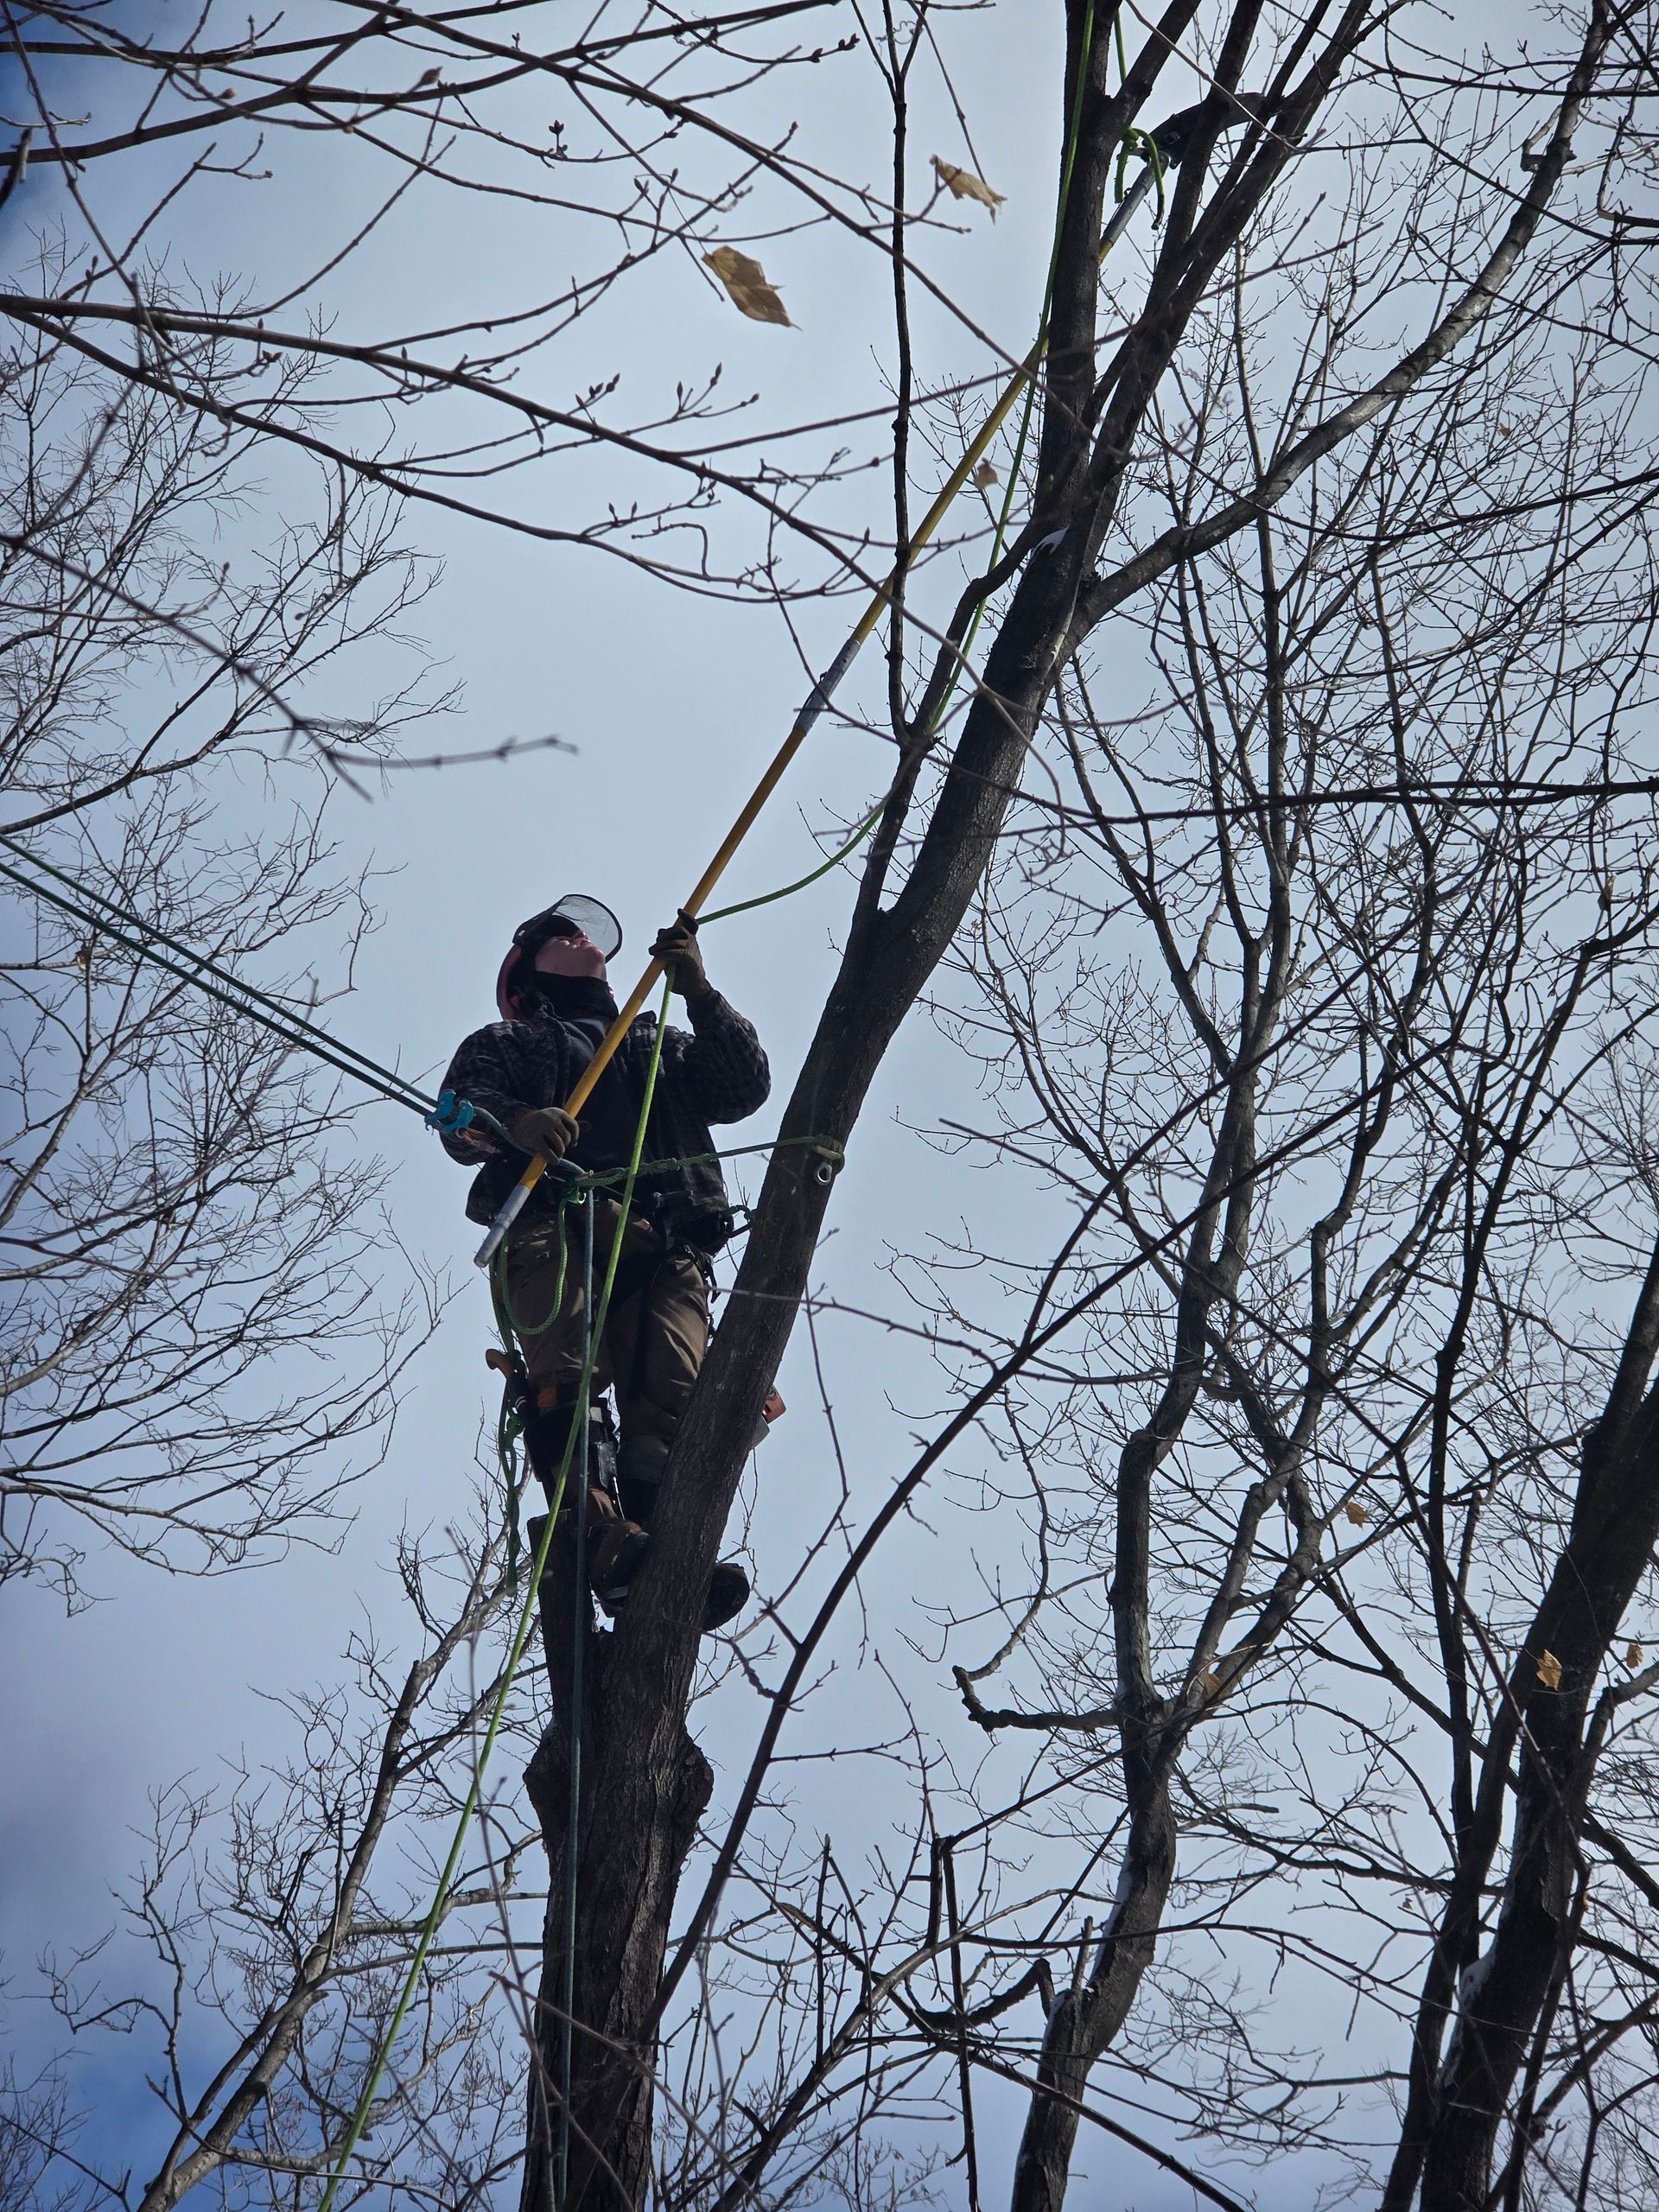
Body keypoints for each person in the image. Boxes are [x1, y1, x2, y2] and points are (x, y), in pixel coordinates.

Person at [439, 893, 770, 1628]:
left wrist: (700, 992)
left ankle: (671, 1555)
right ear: (528, 979)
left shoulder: (656, 1044)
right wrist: (519, 1122)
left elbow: (743, 1088)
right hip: (555, 1222)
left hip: (665, 1237)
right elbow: (460, 1116)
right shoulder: (512, 1042)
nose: (581, 937)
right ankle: (603, 1541)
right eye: (559, 935)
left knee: (675, 1399)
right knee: (568, 1381)